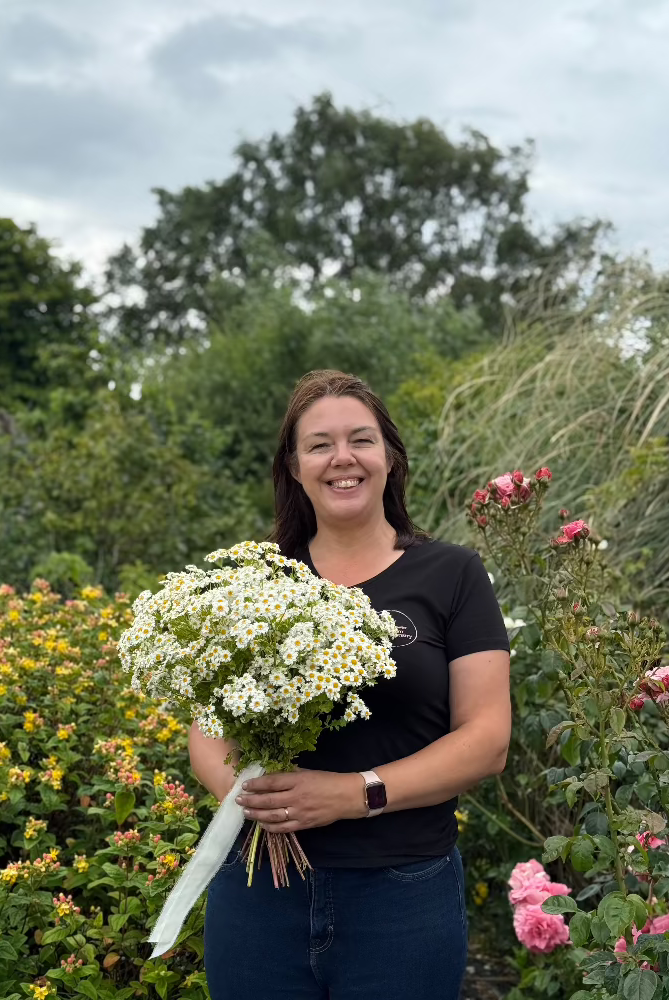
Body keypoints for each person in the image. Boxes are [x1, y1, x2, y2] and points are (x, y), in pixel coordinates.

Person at [190, 369, 512, 1000]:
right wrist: (261, 802)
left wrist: (351, 794)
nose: (343, 458)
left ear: (389, 457)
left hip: (402, 899)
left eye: (361, 440)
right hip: (259, 896)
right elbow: (209, 735)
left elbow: (487, 738)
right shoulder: (259, 582)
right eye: (319, 444)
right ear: (294, 466)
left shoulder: (452, 574)